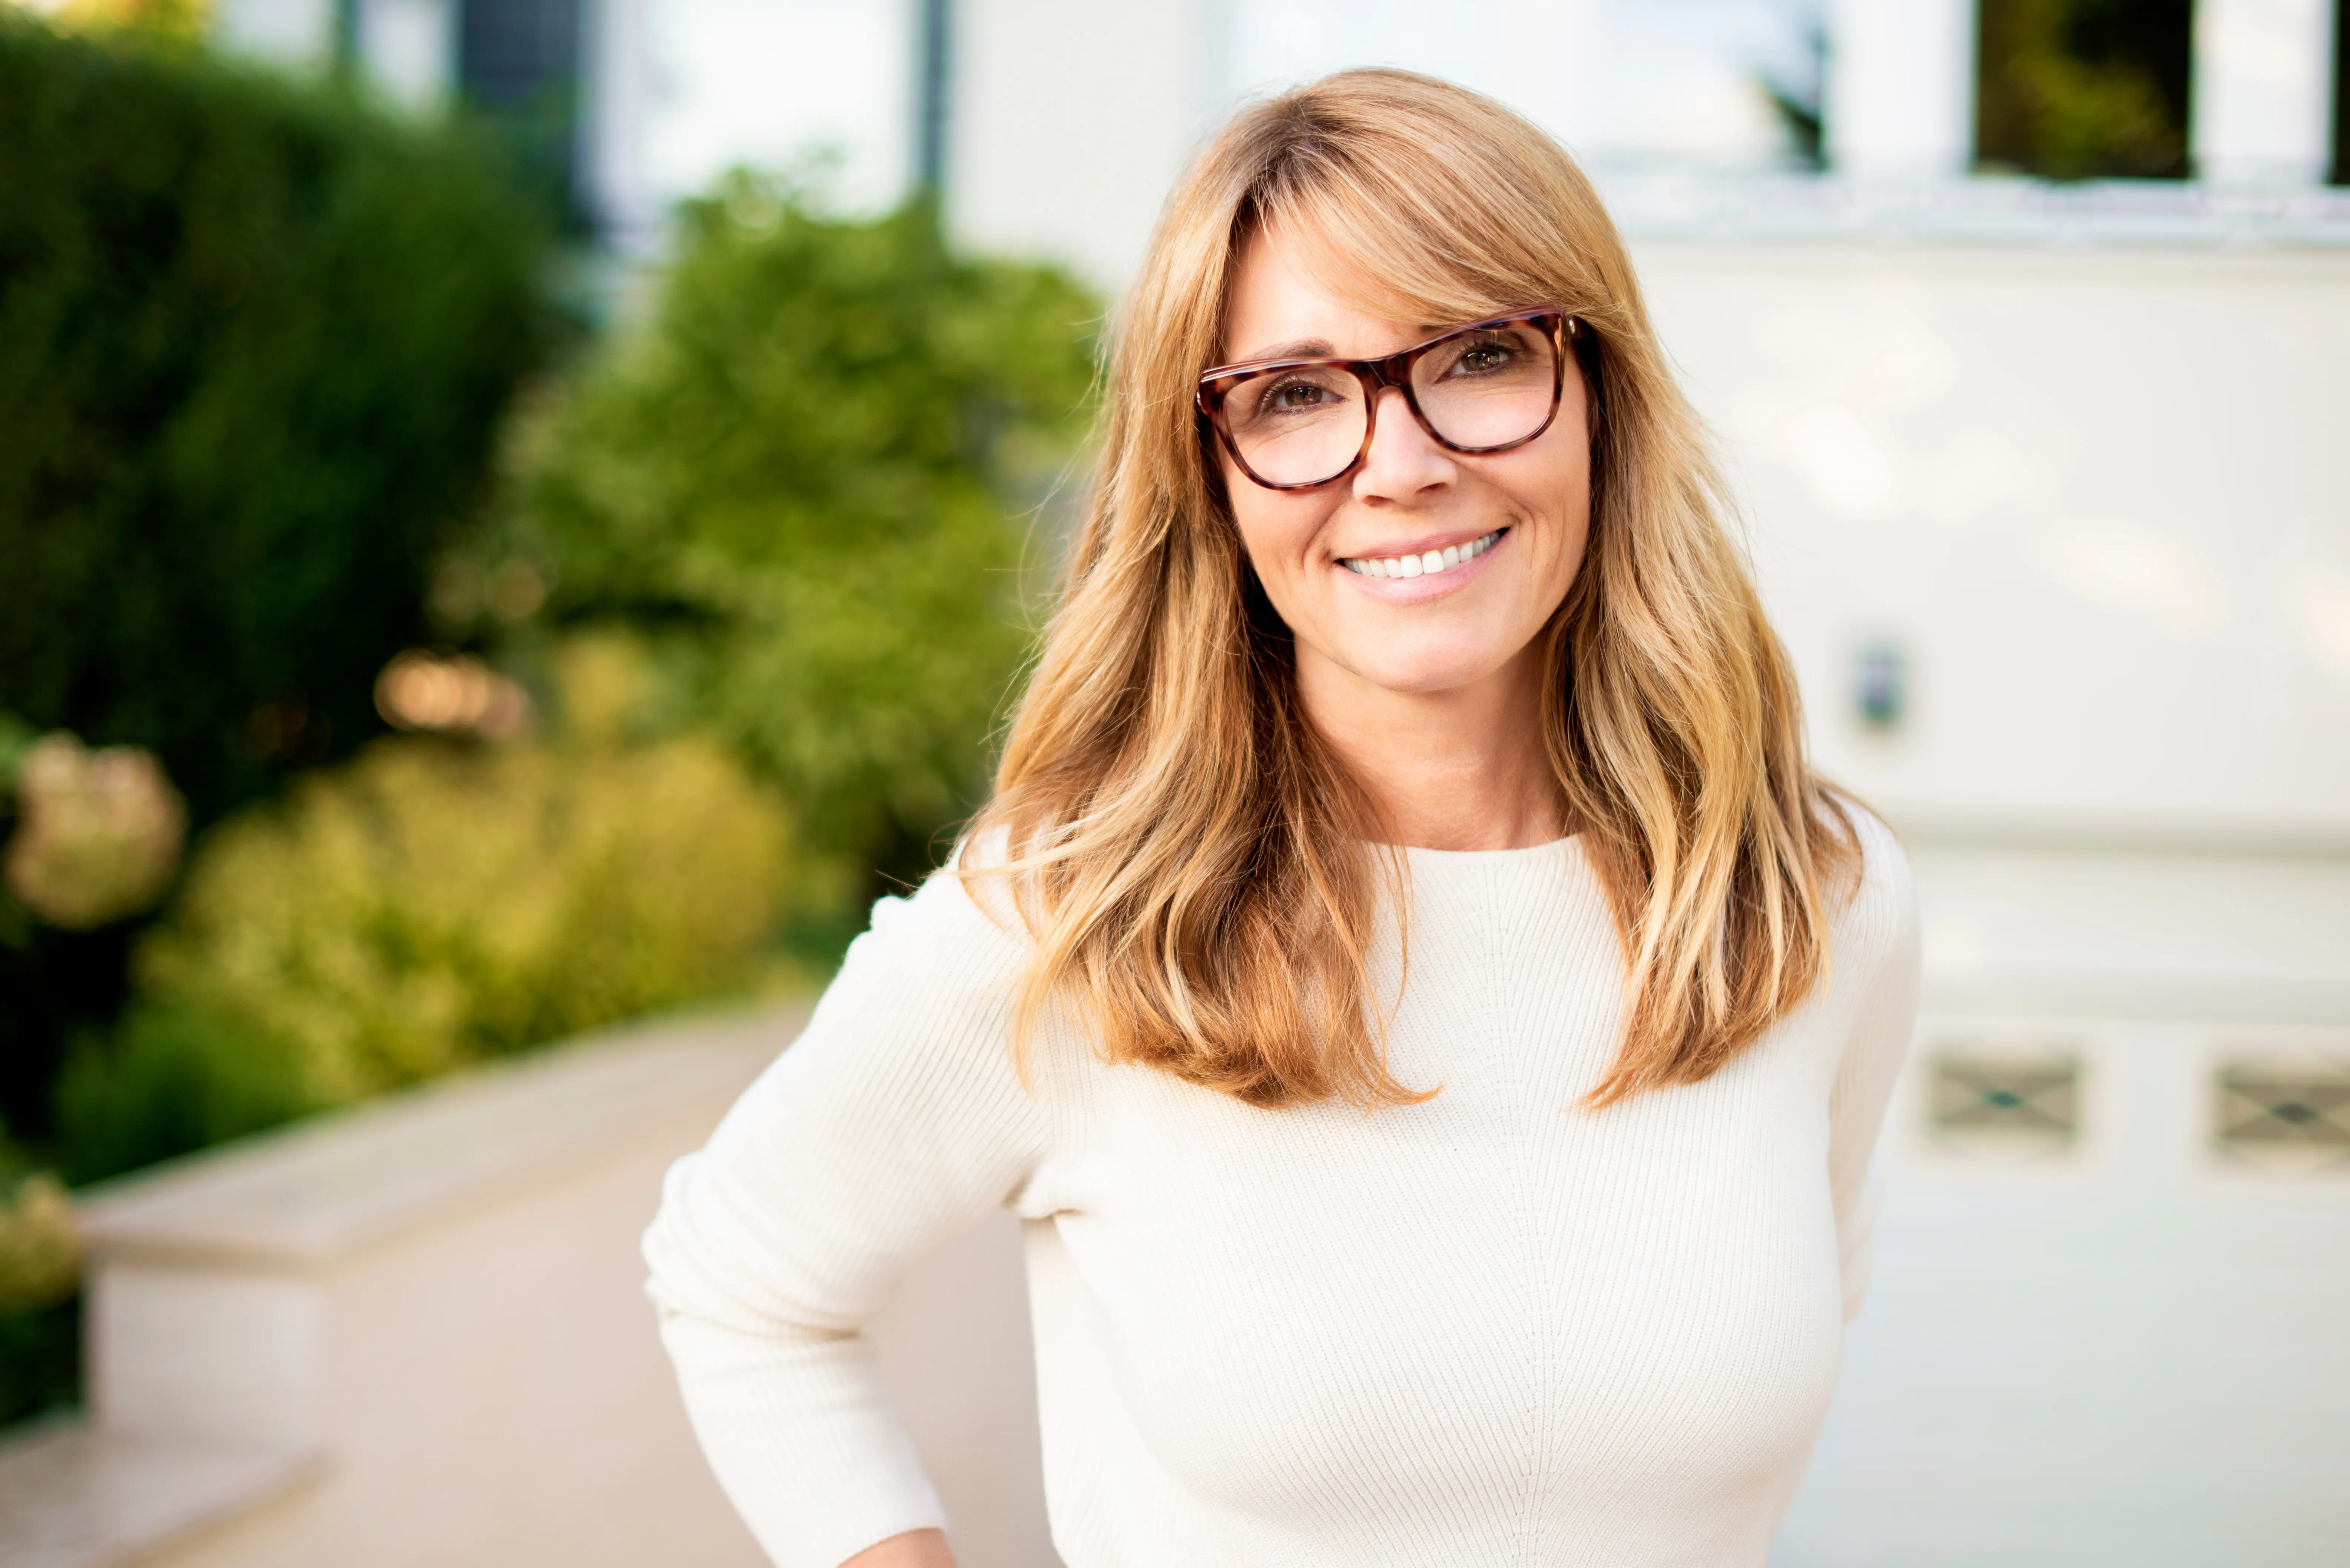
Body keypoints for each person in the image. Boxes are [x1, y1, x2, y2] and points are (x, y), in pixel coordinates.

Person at [644, 68, 1919, 1568]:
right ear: (1209, 473)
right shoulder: (1077, 920)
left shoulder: (1810, 902)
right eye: (1295, 394)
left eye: (1483, 353)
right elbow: (739, 1281)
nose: (1402, 461)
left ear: (1601, 398)